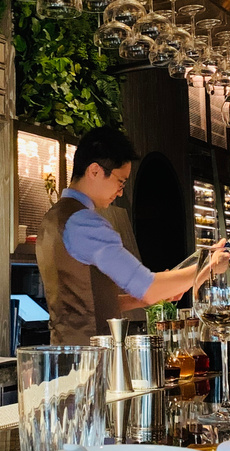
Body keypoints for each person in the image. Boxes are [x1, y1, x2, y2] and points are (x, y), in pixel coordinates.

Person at [36, 127, 202, 345]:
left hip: (65, 354)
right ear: (95, 171)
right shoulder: (85, 222)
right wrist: (206, 268)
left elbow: (84, 305)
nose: (121, 191)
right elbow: (148, 287)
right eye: (121, 182)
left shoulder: (54, 218)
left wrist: (140, 299)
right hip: (93, 357)